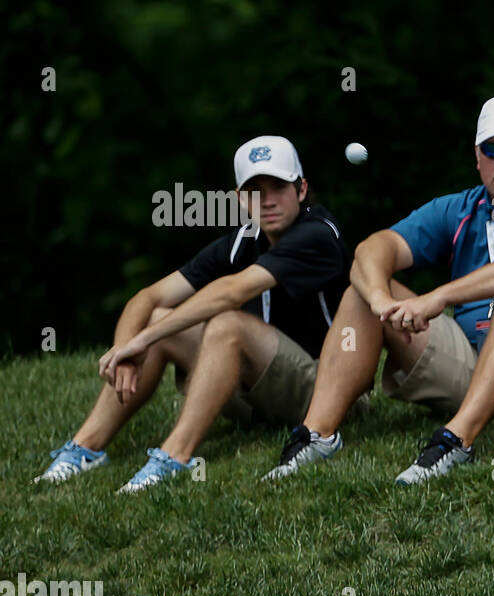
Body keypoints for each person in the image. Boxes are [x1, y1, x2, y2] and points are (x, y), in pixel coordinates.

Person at [261, 92, 494, 485]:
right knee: (362, 286)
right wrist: (380, 300)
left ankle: (456, 440)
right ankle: (317, 434)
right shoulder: (462, 207)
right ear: (477, 156)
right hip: (475, 358)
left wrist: (440, 296)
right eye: (493, 148)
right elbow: (374, 248)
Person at [33, 136, 351, 493]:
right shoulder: (241, 241)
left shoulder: (318, 233)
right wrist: (126, 349)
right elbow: (148, 296)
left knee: (226, 324)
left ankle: (174, 457)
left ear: (302, 189)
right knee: (158, 320)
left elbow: (233, 290)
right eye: (255, 190)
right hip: (262, 394)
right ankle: (85, 449)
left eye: (279, 186)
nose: (268, 200)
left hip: (327, 392)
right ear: (239, 199)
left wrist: (143, 341)